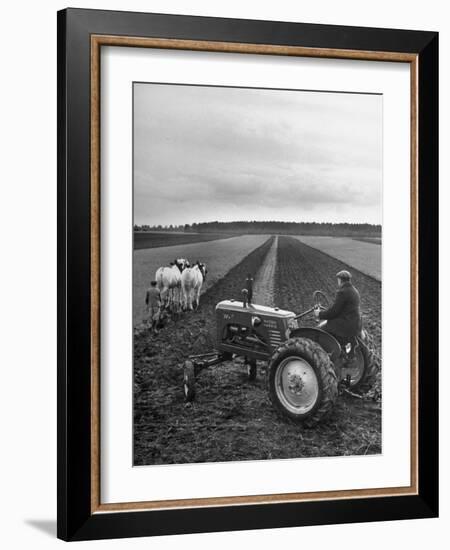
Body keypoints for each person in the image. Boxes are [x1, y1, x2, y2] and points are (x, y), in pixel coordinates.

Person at [314, 270, 362, 357]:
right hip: (356, 324)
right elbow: (342, 309)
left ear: (340, 280)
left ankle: (327, 356)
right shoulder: (354, 290)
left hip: (346, 324)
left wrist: (320, 314)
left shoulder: (343, 292)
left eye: (338, 280)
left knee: (320, 332)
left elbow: (334, 312)